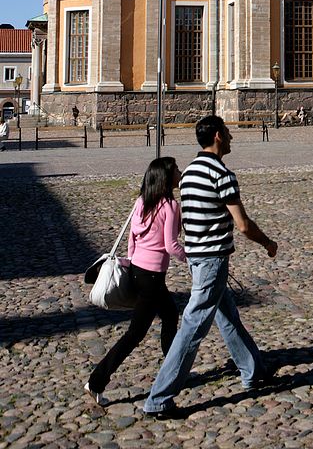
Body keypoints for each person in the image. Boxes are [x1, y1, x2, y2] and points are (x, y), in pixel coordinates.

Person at [143, 115, 277, 418]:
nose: (231, 137)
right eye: (228, 133)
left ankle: (253, 370)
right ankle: (159, 398)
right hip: (213, 260)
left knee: (228, 315)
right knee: (193, 327)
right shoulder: (222, 175)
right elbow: (242, 225)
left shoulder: (188, 173)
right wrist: (268, 243)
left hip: (196, 258)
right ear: (217, 136)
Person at [85, 156, 186, 407]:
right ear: (166, 177)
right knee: (134, 334)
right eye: (175, 169)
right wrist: (194, 258)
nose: (179, 172)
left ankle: (170, 369)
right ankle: (96, 381)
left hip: (139, 271)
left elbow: (131, 239)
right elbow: (171, 245)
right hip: (152, 277)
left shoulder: (141, 202)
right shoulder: (170, 206)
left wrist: (134, 262)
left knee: (170, 315)